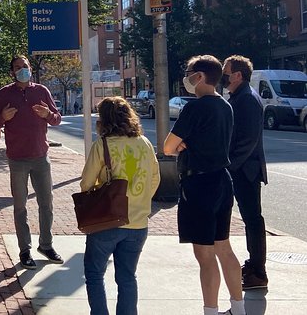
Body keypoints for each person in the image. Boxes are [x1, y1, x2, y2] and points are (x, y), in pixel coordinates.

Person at [164, 55, 245, 315]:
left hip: (198, 183)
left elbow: (167, 146)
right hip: (222, 179)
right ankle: (238, 308)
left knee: (205, 255)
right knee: (224, 247)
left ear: (199, 76)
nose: (186, 77)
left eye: (189, 72)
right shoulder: (225, 106)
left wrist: (184, 146)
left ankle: (210, 310)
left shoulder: (194, 108)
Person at [80, 97, 160, 315]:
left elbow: (86, 183)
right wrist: (139, 200)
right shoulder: (144, 143)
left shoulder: (102, 145)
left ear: (103, 120)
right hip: (137, 223)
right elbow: (155, 179)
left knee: (95, 273)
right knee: (127, 277)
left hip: (107, 220)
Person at [0, 55, 63, 269]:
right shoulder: (4, 94)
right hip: (17, 158)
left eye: (25, 66)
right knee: (20, 206)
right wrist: (2, 117)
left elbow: (57, 119)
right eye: (18, 67)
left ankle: (46, 245)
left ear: (30, 68)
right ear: (12, 72)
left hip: (41, 156)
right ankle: (25, 250)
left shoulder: (42, 91)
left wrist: (48, 114)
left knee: (46, 203)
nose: (23, 70)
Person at [222, 55, 268, 290]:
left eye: (226, 72)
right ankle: (253, 266)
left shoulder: (247, 99)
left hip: (246, 171)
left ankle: (258, 273)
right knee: (252, 220)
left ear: (238, 75)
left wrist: (229, 168)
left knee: (253, 220)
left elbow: (247, 141)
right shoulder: (241, 96)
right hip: (243, 169)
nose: (224, 77)